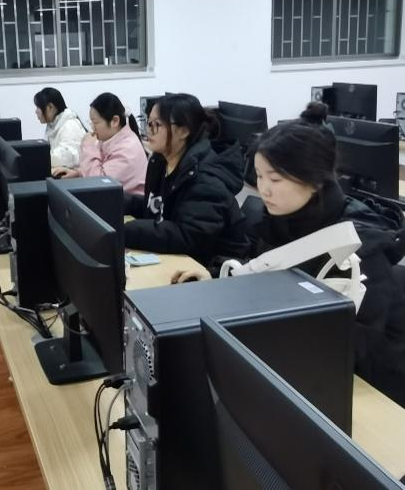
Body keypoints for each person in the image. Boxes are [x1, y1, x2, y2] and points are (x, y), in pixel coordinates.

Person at [172, 120, 405, 407]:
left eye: (276, 179)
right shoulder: (284, 221)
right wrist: (214, 278)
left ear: (316, 180)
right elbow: (265, 273)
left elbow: (356, 343)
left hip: (367, 388)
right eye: (259, 176)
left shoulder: (358, 247)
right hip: (296, 366)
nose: (264, 189)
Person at [124, 93, 248, 265]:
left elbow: (189, 236)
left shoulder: (205, 178)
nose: (148, 130)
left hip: (214, 267)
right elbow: (156, 206)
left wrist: (125, 231)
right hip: (180, 258)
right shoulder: (161, 161)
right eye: (148, 123)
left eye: (156, 125)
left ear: (183, 131)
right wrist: (117, 201)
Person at [53, 92, 148, 195]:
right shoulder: (111, 139)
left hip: (125, 203)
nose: (92, 127)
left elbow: (99, 183)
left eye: (95, 122)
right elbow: (101, 167)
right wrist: (78, 173)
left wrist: (89, 146)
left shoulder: (128, 149)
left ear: (115, 121)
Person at [35, 87, 88, 171]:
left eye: (39, 107)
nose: (36, 111)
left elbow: (68, 156)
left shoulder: (70, 125)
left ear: (50, 107)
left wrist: (37, 158)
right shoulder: (53, 124)